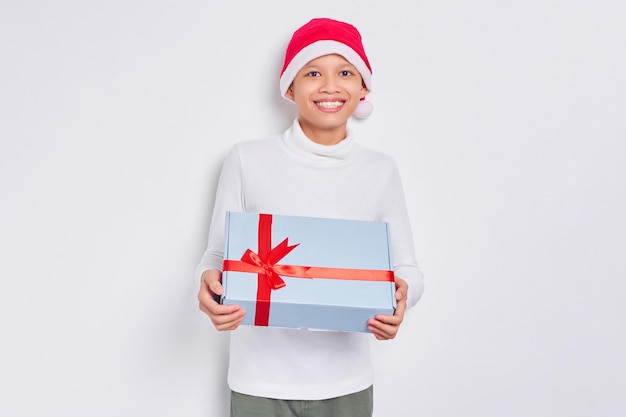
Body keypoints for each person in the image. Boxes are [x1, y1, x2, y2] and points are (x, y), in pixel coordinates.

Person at [196, 17, 424, 417]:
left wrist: (403, 296)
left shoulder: (380, 170)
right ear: (289, 86)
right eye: (313, 72)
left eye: (345, 72)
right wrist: (207, 286)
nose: (330, 86)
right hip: (258, 381)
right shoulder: (247, 160)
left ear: (363, 87)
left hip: (347, 383)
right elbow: (218, 256)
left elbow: (407, 268)